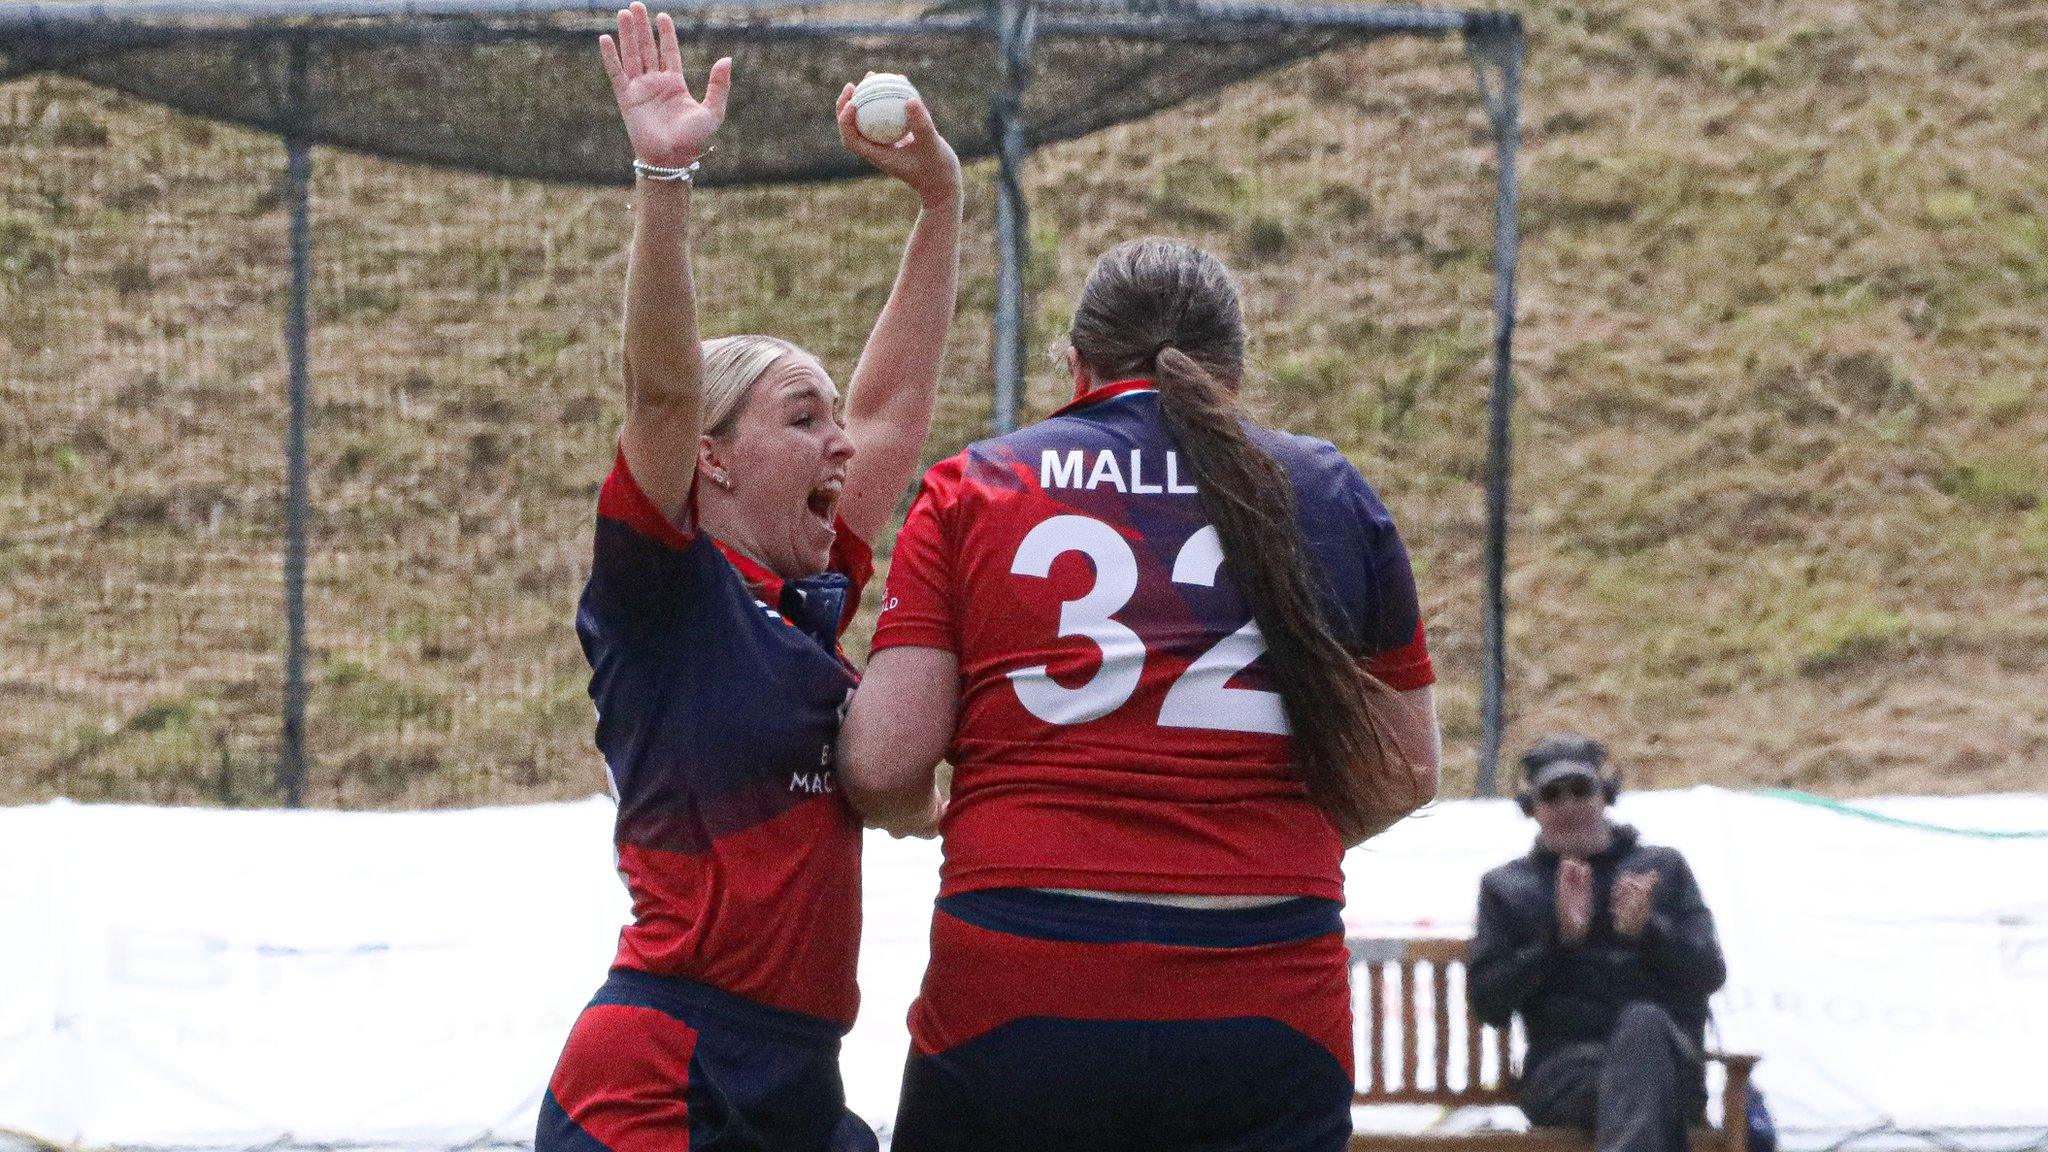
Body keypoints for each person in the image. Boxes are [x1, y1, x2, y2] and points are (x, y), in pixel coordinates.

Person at [838, 237, 1442, 1151]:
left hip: (1024, 972)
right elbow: (1405, 769)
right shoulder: (1324, 488)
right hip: (1267, 987)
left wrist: (939, 814)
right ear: (1233, 372)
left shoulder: (978, 487)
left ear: (1075, 366)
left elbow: (882, 765)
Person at [536, 6, 962, 1150]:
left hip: (796, 1080)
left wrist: (939, 205)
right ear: (712, 459)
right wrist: (661, 178)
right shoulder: (666, 594)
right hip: (662, 1072)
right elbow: (663, 397)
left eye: (833, 420)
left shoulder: (803, 608)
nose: (842, 444)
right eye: (800, 416)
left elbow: (889, 416)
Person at [1469, 733, 1729, 1152]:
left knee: (1643, 1027)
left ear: (1605, 795)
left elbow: (1709, 973)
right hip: (1567, 1073)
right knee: (1641, 1090)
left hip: (1666, 1061)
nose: (1569, 805)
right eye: (1553, 795)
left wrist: (1649, 930)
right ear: (1532, 808)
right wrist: (1557, 941)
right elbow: (1488, 1004)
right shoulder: (1508, 887)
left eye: (1581, 790)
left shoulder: (1661, 869)